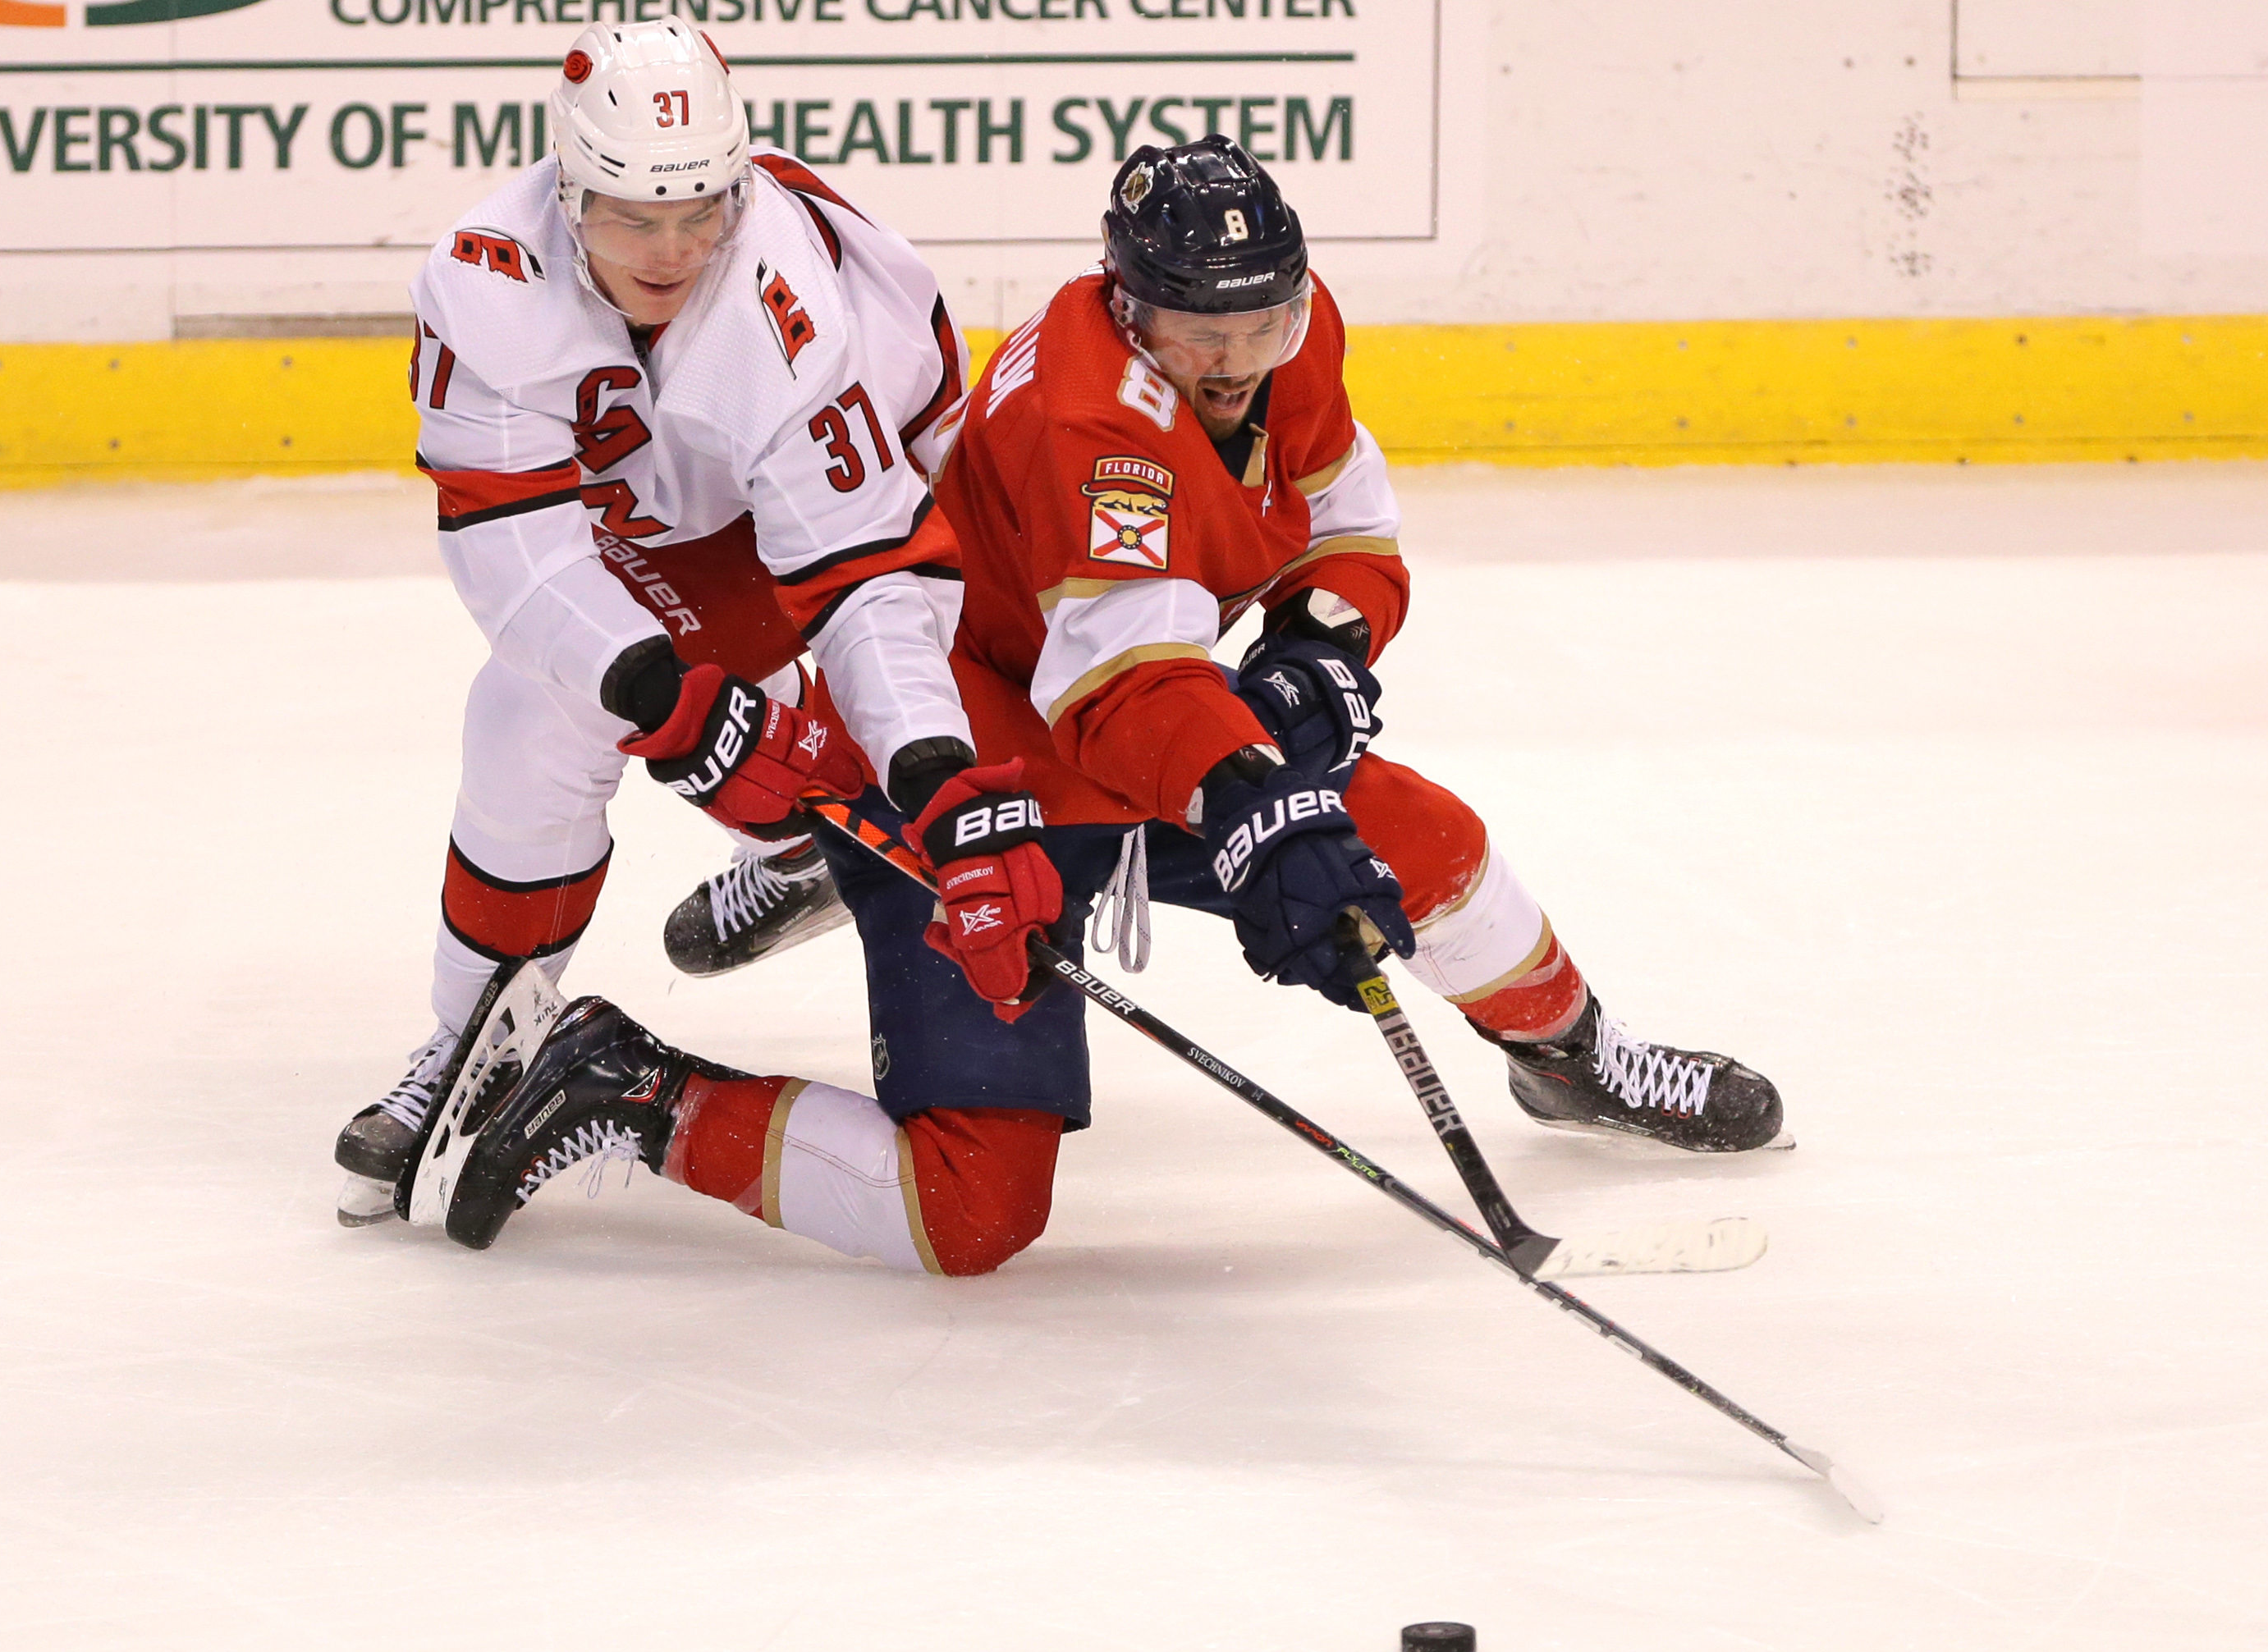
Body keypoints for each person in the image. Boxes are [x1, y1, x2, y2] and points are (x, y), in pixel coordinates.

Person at [433, 138, 1787, 1271]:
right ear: (1127, 302)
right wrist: (1258, 808)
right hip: (967, 767)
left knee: (1425, 843)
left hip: (1137, 728)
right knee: (969, 1216)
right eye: (1205, 328)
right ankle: (635, 1083)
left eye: (1264, 317)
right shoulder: (1087, 426)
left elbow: (1345, 520)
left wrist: (1321, 650)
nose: (1239, 354)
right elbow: (1117, 681)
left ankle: (1575, 1056)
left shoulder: (1282, 339)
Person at [332, 21, 1034, 1226]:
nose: (670, 250)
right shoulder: (482, 282)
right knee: (542, 705)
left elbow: (866, 576)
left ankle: (807, 830)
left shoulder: (795, 307)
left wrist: (923, 758)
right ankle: (476, 1038)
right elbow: (516, 550)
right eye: (629, 217)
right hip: (677, 528)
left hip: (906, 503)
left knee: (856, 729)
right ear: (567, 189)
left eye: (699, 211)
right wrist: (661, 694)